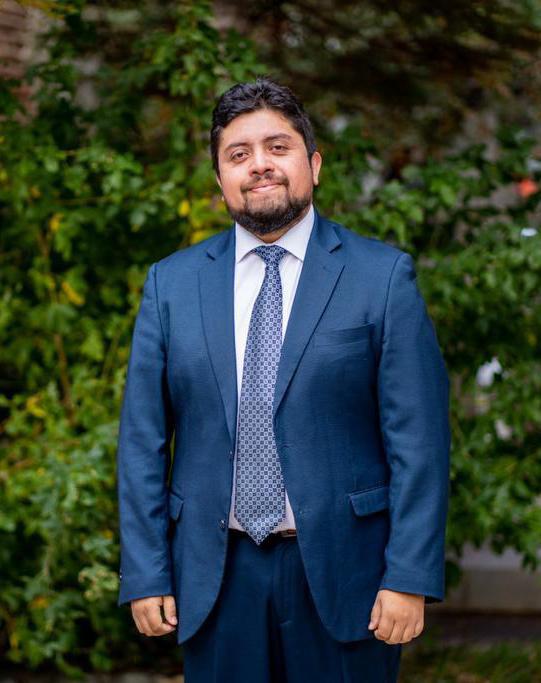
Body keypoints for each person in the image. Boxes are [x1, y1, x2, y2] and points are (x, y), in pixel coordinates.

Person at [116, 76, 451, 683]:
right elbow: (142, 442)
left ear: (314, 165)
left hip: (350, 577)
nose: (259, 165)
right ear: (220, 179)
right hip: (214, 578)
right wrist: (145, 572)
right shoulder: (171, 284)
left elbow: (420, 443)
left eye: (278, 147)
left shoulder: (381, 278)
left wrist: (408, 575)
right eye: (238, 154)